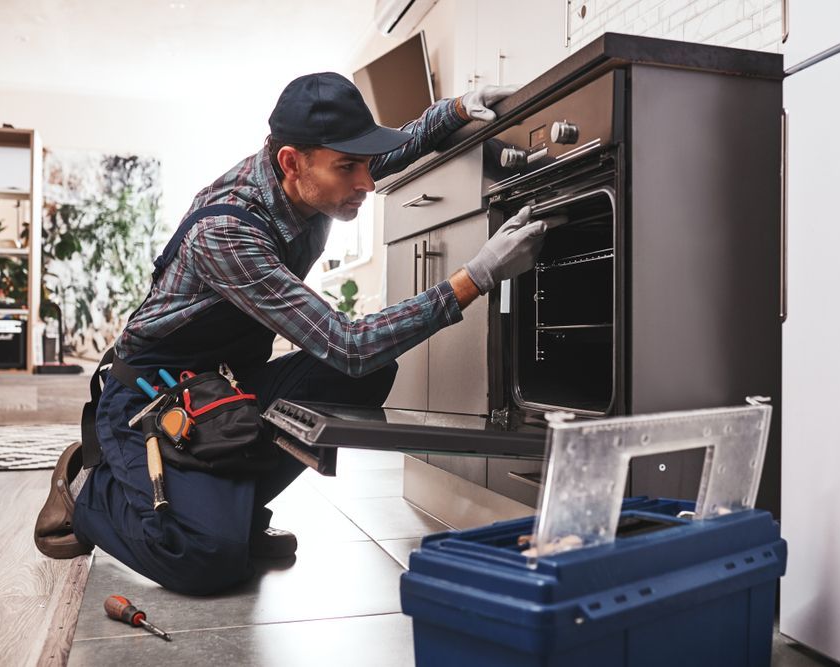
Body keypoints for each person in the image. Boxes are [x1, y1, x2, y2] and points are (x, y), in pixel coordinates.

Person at [33, 72, 549, 595]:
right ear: (291, 162)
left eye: (363, 165)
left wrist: (457, 109)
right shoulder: (228, 233)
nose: (366, 184)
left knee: (366, 376)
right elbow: (348, 344)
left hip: (224, 386)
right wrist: (475, 277)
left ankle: (235, 510)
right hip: (149, 397)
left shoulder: (313, 177)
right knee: (206, 559)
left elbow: (386, 154)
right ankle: (89, 490)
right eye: (349, 168)